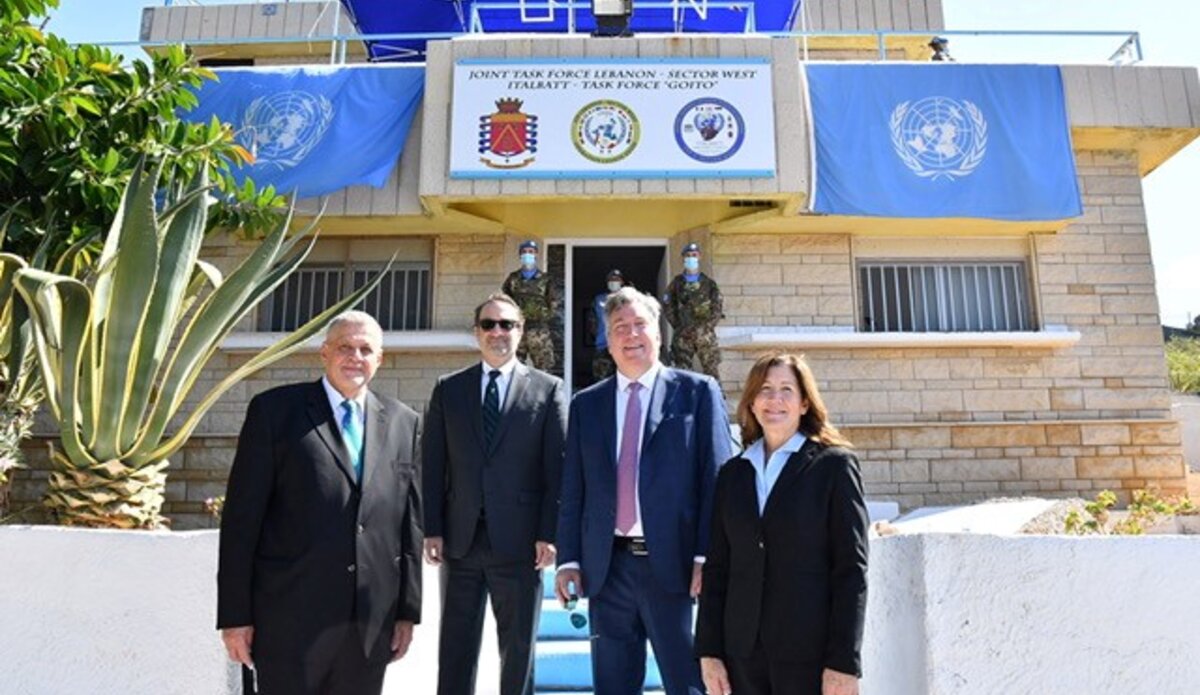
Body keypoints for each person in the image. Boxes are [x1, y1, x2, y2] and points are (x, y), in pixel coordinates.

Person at [217, 311, 422, 695]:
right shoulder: (274, 412)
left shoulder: (403, 422)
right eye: (345, 346)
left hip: (368, 626)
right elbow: (241, 521)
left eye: (366, 349)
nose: (355, 357)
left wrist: (407, 613)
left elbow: (408, 524)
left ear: (379, 359)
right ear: (324, 353)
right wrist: (235, 616)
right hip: (288, 621)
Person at [555, 287, 734, 695]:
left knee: (689, 684)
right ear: (608, 338)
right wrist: (568, 558)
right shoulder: (587, 404)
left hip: (675, 568)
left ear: (658, 332)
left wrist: (708, 555)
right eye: (620, 326)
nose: (631, 334)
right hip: (607, 570)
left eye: (640, 324)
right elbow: (574, 488)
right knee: (614, 686)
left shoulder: (697, 392)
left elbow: (717, 481)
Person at [695, 352, 868, 695]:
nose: (774, 399)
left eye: (786, 389)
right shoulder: (732, 474)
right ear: (752, 403)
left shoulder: (834, 467)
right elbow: (718, 569)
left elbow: (851, 570)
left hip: (810, 656)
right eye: (765, 389)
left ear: (805, 403)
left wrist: (844, 663)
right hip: (741, 656)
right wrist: (709, 651)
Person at [422, 293, 568, 695]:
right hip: (460, 542)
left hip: (521, 544)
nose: (498, 332)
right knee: (455, 650)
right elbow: (433, 465)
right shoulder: (448, 389)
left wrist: (549, 532)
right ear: (476, 333)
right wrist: (431, 528)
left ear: (520, 332)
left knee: (518, 652)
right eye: (489, 324)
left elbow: (557, 469)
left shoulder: (548, 389)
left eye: (507, 324)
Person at [662, 242, 724, 380]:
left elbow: (717, 306)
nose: (691, 258)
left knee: (711, 371)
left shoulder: (709, 283)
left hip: (705, 336)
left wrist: (707, 327)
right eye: (688, 256)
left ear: (699, 257)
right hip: (683, 335)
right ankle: (686, 401)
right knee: (683, 373)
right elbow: (667, 304)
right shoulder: (677, 283)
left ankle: (716, 398)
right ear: (683, 259)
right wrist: (678, 325)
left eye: (694, 255)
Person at [501, 239, 562, 371]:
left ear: (536, 254)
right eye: (524, 252)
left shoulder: (546, 279)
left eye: (531, 252)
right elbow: (505, 301)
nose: (527, 255)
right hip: (517, 329)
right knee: (513, 368)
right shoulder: (513, 278)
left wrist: (542, 316)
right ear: (520, 255)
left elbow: (554, 302)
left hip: (539, 330)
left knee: (544, 369)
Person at [591, 269, 626, 380]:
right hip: (603, 347)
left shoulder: (630, 299)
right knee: (601, 382)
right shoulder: (599, 299)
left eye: (616, 279)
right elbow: (592, 323)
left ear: (622, 282)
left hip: (625, 347)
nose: (613, 281)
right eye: (611, 279)